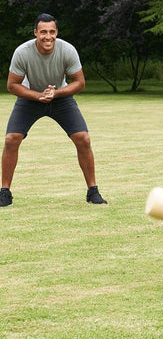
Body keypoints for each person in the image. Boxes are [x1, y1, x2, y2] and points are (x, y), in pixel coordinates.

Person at [0, 13, 107, 206]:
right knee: (11, 139)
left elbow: (80, 82)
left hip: (60, 98)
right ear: (35, 33)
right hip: (30, 98)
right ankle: (4, 192)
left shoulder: (67, 50)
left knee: (83, 139)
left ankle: (93, 191)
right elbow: (12, 85)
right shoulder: (22, 52)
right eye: (43, 32)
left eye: (51, 32)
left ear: (56, 32)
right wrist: (38, 95)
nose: (47, 36)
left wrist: (56, 93)